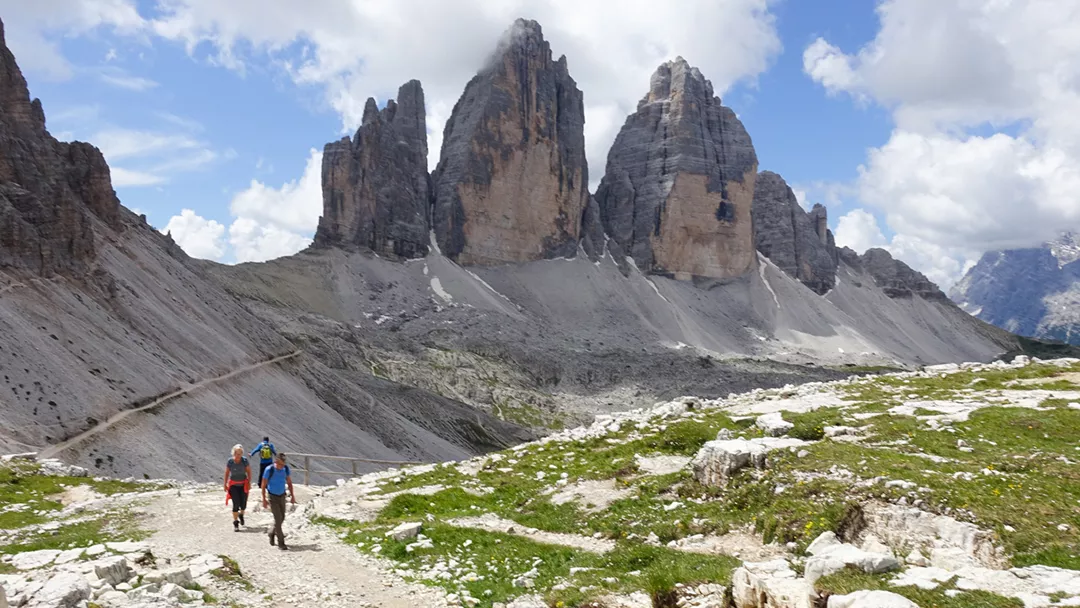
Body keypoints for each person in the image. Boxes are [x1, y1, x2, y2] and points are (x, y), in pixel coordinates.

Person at [261, 452, 295, 550]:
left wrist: (292, 496)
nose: (281, 466)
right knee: (278, 519)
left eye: (283, 464)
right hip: (272, 497)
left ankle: (271, 532)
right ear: (276, 461)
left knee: (282, 517)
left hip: (282, 496)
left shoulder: (285, 469)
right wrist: (264, 499)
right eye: (280, 464)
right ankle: (281, 542)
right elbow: (263, 484)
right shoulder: (269, 470)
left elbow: (289, 482)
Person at [224, 444, 251, 531]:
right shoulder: (230, 461)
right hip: (233, 486)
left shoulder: (244, 461)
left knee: (243, 504)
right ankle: (236, 522)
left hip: (243, 485)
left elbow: (249, 471)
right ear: (233, 453)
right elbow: (227, 472)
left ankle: (241, 514)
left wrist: (249, 482)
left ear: (242, 454)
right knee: (236, 504)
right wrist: (225, 483)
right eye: (236, 453)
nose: (238, 455)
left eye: (240, 454)